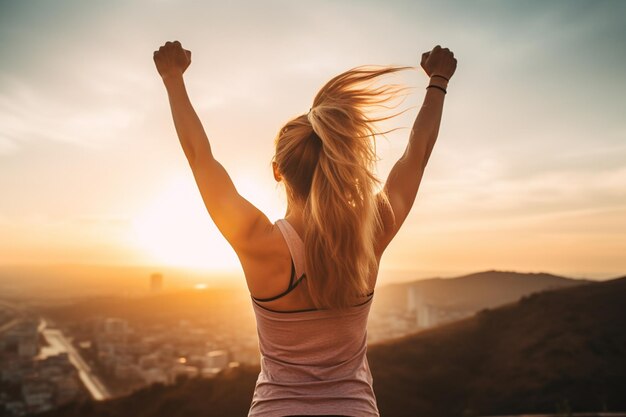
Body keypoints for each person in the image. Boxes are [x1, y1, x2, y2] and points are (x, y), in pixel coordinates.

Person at [153, 40, 457, 417]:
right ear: (340, 164)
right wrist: (438, 81)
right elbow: (417, 154)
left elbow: (199, 157)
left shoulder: (257, 241)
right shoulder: (368, 235)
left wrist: (172, 78)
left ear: (278, 171)